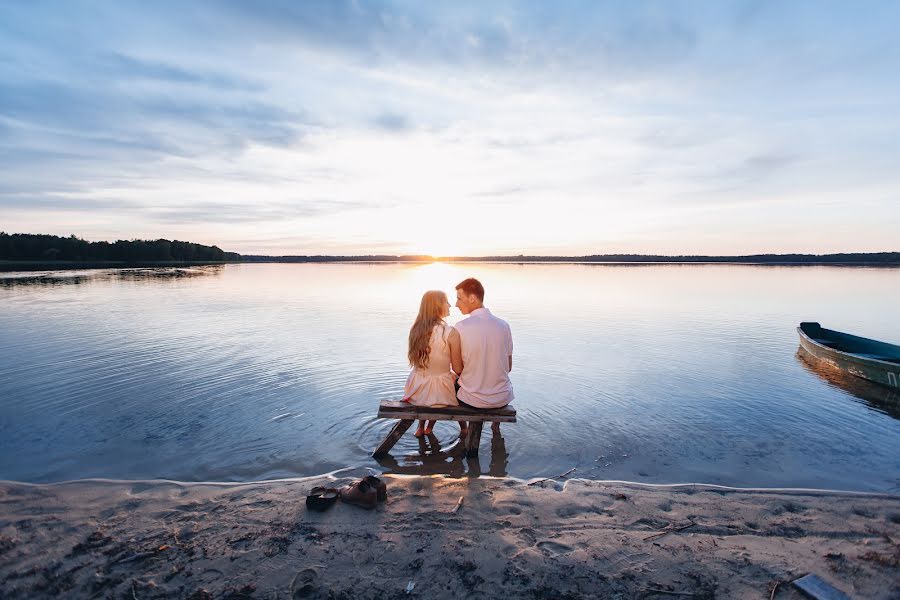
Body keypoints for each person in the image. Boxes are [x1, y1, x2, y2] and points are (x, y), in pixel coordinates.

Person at [451, 278, 514, 438]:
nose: (456, 304)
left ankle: (463, 432)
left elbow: (458, 370)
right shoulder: (504, 325)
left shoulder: (460, 327)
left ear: (472, 298)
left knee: (447, 383)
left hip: (472, 401)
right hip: (502, 398)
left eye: (459, 298)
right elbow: (508, 367)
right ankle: (495, 429)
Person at [402, 290, 461, 437]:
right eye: (446, 302)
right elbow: (458, 368)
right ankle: (463, 429)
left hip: (416, 390)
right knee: (455, 381)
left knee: (435, 381)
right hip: (440, 394)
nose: (450, 305)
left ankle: (421, 428)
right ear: (437, 306)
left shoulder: (415, 330)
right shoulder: (450, 332)